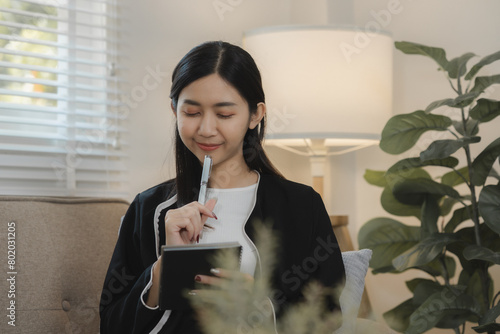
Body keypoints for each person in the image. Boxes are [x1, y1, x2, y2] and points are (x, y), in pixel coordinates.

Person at [99, 41, 345, 333]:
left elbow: (329, 318)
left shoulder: (301, 205)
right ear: (174, 110)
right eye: (191, 113)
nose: (206, 129)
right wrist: (163, 270)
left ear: (255, 115)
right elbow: (112, 325)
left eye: (225, 114)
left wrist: (260, 308)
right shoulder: (148, 208)